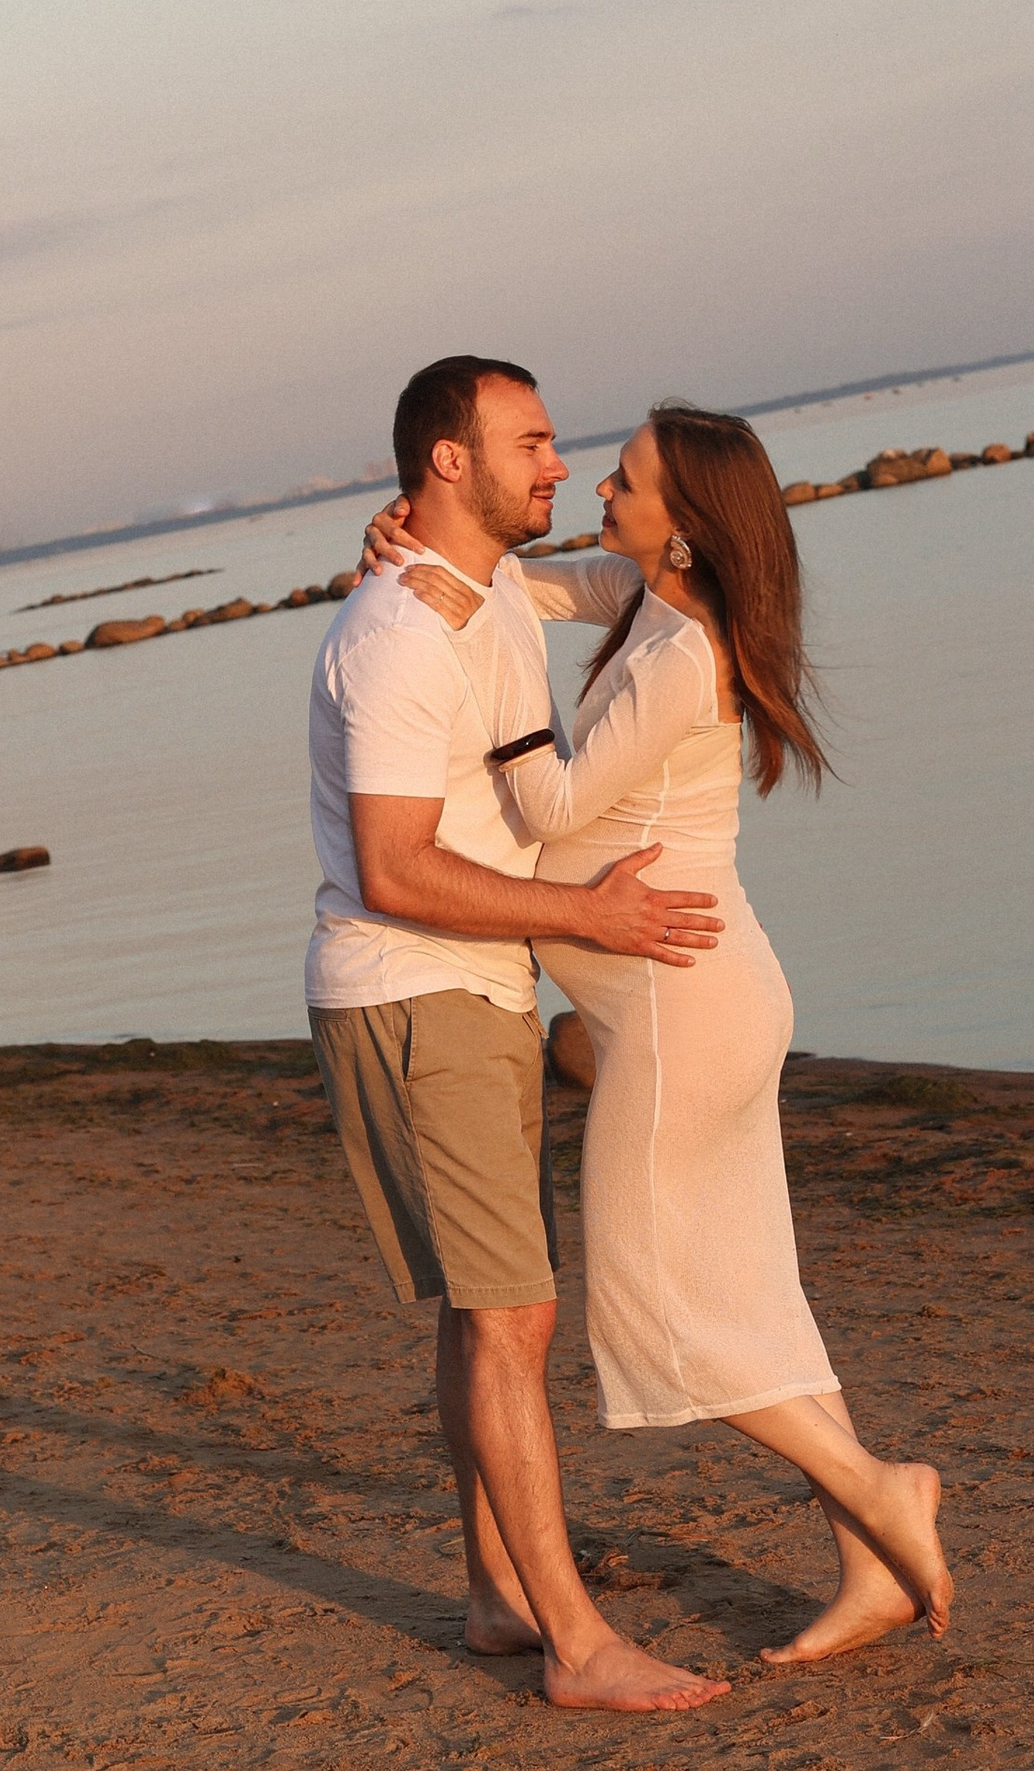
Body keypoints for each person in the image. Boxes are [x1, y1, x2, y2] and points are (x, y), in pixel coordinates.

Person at [369, 401, 952, 1666]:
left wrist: (509, 700)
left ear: (682, 526)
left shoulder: (684, 651)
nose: (598, 489)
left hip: (687, 1012)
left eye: (626, 481)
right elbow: (513, 585)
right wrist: (415, 545)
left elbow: (558, 797)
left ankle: (876, 1493)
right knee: (748, 1287)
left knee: (652, 1306)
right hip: (699, 1000)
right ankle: (867, 1564)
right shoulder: (640, 597)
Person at [306, 354, 732, 1714]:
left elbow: (647, 596)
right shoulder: (395, 642)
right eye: (532, 442)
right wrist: (587, 917)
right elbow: (392, 865)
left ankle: (498, 1594)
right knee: (515, 1315)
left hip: (470, 992)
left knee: (484, 1316)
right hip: (416, 985)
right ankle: (578, 1642)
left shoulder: (484, 589)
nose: (558, 463)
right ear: (451, 460)